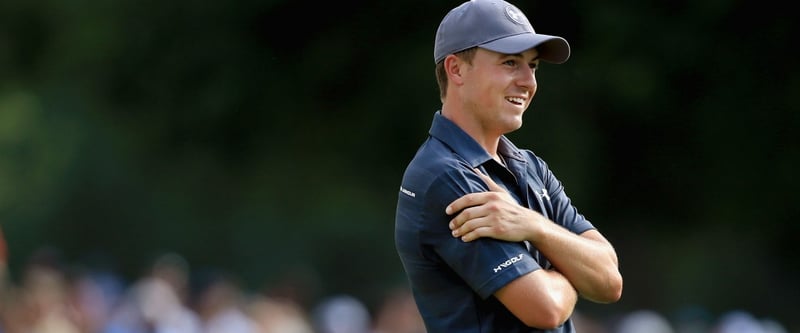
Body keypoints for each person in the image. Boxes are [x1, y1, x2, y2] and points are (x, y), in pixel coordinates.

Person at [394, 0, 623, 332]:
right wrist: (572, 266)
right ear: (456, 69)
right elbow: (545, 309)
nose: (528, 81)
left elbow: (609, 280)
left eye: (533, 66)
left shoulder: (529, 166)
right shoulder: (445, 177)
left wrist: (534, 226)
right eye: (510, 62)